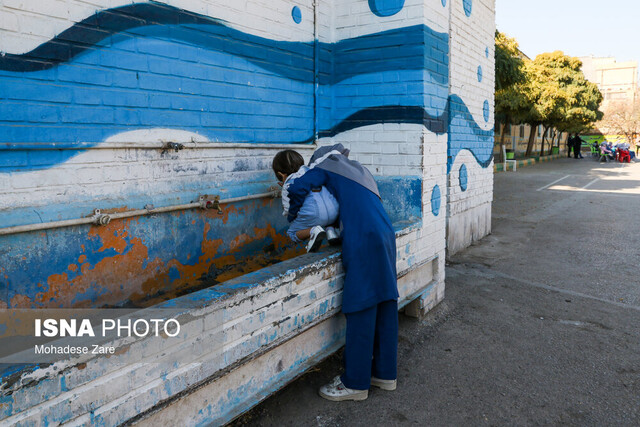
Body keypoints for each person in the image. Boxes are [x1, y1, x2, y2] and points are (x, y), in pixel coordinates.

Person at [280, 143, 399, 401]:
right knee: (386, 300)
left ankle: (355, 382)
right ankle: (384, 374)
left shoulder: (322, 166)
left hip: (363, 236)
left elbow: (298, 187)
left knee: (361, 304)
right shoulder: (357, 169)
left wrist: (294, 218)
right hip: (385, 232)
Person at [273, 150, 340, 252]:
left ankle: (314, 231)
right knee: (325, 214)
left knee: (291, 233)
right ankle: (331, 231)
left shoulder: (288, 185)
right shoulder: (312, 171)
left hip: (315, 214)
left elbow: (288, 210)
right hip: (334, 212)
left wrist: (290, 214)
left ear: (281, 174)